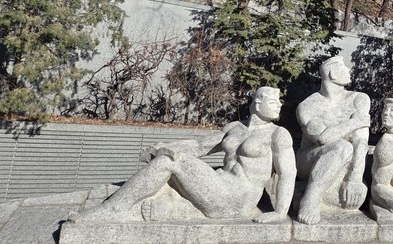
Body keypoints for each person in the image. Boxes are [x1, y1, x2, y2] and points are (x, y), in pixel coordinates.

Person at [70, 86, 296, 223]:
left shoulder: (278, 134)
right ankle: (133, 206)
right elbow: (198, 146)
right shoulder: (234, 128)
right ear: (257, 103)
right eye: (273, 101)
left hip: (238, 199)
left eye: (279, 101)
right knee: (169, 157)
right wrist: (163, 146)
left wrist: (280, 212)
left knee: (173, 161)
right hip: (218, 186)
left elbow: (288, 173)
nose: (279, 105)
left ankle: (115, 209)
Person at [295, 55, 370, 224]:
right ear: (332, 74)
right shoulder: (308, 106)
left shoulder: (359, 99)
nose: (348, 69)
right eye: (343, 67)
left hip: (346, 161)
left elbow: (361, 140)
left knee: (345, 147)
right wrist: (353, 122)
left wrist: (355, 178)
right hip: (309, 159)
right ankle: (311, 197)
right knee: (342, 146)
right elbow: (322, 138)